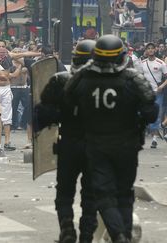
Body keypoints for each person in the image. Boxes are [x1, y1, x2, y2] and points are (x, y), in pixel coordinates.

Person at [66, 35, 158, 243]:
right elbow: (151, 112)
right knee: (125, 194)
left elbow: (68, 102)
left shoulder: (83, 78)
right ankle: (123, 234)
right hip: (127, 145)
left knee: (104, 195)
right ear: (122, 57)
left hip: (96, 145)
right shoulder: (132, 79)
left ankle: (119, 235)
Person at [35, 40, 98, 243]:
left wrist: (61, 114)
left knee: (64, 193)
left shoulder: (60, 80)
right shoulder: (107, 84)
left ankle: (67, 230)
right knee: (91, 195)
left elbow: (42, 114)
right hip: (96, 147)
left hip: (69, 144)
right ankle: (86, 236)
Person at [141, 42, 167, 148]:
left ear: (155, 50)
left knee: (156, 115)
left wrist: (161, 87)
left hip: (158, 93)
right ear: (146, 50)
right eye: (149, 48)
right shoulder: (142, 63)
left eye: (152, 48)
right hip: (146, 93)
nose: (150, 50)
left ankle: (154, 139)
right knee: (145, 114)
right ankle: (151, 132)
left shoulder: (161, 63)